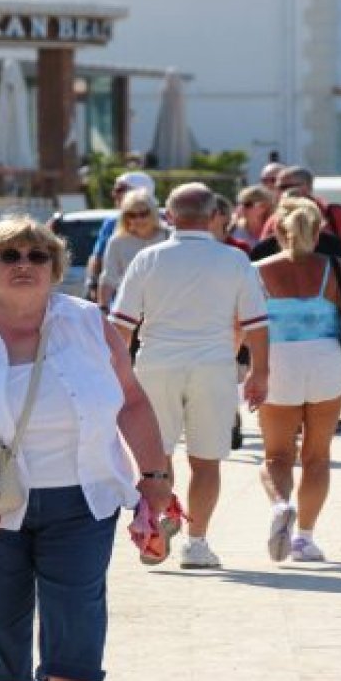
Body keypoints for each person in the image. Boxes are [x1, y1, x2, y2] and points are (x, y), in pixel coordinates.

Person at [0, 217, 172, 681]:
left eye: (37, 256)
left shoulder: (91, 323)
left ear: (55, 267)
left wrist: (155, 476)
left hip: (81, 499)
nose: (25, 264)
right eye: (10, 256)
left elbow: (131, 399)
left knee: (76, 619)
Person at [110, 183, 271, 569]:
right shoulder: (234, 260)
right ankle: (197, 543)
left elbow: (122, 326)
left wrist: (113, 375)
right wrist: (260, 374)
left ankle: (161, 521)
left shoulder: (147, 258)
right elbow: (257, 325)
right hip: (213, 367)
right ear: (216, 215)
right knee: (207, 461)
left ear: (169, 215)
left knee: (156, 456)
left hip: (156, 364)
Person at [253, 196, 341, 562]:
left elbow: (240, 327)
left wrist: (239, 371)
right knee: (317, 455)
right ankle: (304, 539)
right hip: (327, 361)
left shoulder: (257, 270)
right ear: (318, 230)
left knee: (276, 457)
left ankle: (280, 505)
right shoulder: (335, 267)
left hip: (277, 362)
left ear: (276, 231)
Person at [84, 171, 158, 301]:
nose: (114, 194)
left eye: (120, 189)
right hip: (125, 304)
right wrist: (93, 284)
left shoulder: (169, 230)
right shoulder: (112, 223)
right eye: (131, 215)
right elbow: (98, 258)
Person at [98, 188, 169, 311]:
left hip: (166, 308)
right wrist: (103, 309)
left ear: (153, 213)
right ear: (125, 217)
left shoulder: (169, 236)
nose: (138, 220)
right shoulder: (117, 242)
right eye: (131, 215)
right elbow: (108, 279)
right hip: (129, 311)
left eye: (143, 214)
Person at [233, 185, 276, 250]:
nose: (241, 208)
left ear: (263, 206)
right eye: (240, 204)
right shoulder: (234, 230)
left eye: (247, 204)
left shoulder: (276, 230)